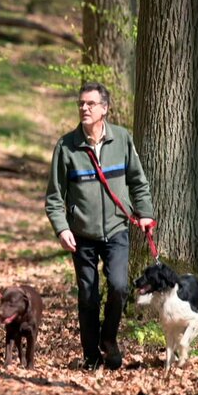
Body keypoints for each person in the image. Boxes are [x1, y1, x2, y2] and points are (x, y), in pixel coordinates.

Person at [44, 81, 155, 370]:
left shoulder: (122, 139)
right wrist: (62, 228)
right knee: (88, 295)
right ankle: (91, 357)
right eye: (81, 103)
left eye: (91, 103)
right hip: (81, 235)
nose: (84, 107)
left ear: (105, 108)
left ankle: (108, 340)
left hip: (117, 229)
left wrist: (144, 212)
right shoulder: (66, 146)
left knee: (119, 287)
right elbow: (54, 197)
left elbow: (138, 182)